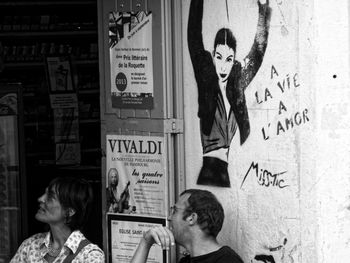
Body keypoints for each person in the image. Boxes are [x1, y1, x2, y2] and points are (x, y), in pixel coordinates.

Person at [187, 0, 271, 187]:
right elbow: (194, 37)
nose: (223, 65)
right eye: (219, 57)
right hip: (209, 170)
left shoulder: (236, 87)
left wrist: (264, 12)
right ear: (213, 55)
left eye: (229, 59)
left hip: (224, 172)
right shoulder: (206, 83)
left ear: (233, 61)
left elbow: (257, 53)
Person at [131, 189, 243, 263]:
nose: (169, 218)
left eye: (174, 211)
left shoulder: (227, 260)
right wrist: (145, 242)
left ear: (191, 218)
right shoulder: (186, 262)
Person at [10, 177, 104, 263]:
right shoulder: (31, 246)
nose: (41, 199)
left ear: (70, 211)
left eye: (50, 197)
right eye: (44, 194)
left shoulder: (89, 256)